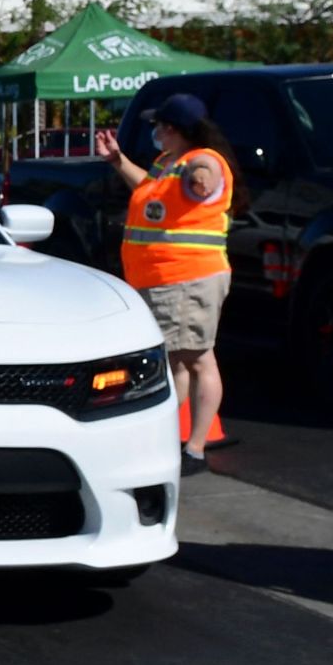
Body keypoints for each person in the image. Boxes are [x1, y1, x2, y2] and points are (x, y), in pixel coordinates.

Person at [98, 93, 234, 475]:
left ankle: (194, 448)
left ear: (172, 129)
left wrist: (201, 179)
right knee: (176, 361)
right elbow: (148, 189)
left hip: (188, 279)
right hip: (163, 280)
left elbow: (204, 178)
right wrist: (118, 161)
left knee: (197, 357)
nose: (154, 131)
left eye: (158, 125)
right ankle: (169, 440)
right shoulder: (166, 163)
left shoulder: (201, 161)